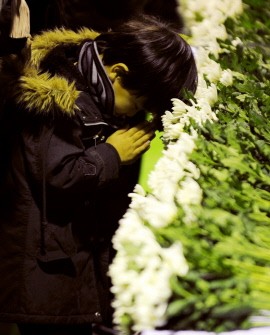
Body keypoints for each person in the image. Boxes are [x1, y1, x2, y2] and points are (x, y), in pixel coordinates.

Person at [0, 15, 198, 335]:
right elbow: (59, 174)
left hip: (70, 259)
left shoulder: (95, 85)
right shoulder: (55, 95)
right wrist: (113, 153)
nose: (135, 114)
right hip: (45, 270)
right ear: (118, 71)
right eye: (137, 105)